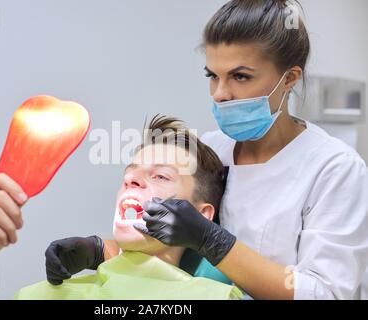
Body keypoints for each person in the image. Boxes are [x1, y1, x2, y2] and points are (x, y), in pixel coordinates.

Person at [45, 0, 368, 299]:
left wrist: (212, 241)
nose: (220, 93)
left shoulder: (334, 169)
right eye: (212, 76)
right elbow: (168, 253)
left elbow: (324, 293)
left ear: (289, 79)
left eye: (240, 76)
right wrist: (100, 251)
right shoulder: (212, 147)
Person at [0, 115, 241, 300]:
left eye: (160, 176)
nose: (132, 181)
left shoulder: (214, 297)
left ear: (202, 217)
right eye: (129, 176)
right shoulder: (43, 295)